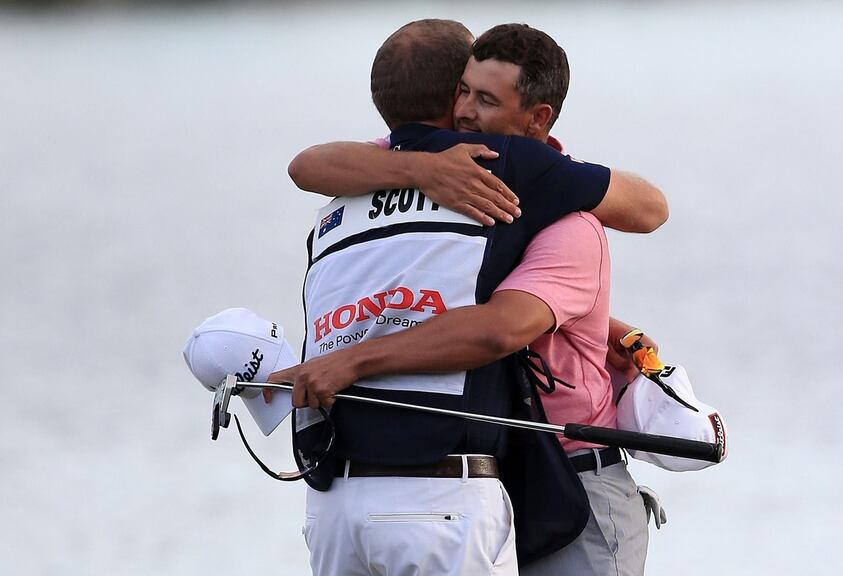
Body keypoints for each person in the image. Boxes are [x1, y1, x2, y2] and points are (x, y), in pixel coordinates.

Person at [272, 19, 666, 576]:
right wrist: (425, 169)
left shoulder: (538, 177)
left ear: (537, 118)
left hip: (575, 472)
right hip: (498, 465)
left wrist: (348, 360)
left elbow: (649, 208)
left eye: (483, 99)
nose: (464, 112)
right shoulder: (425, 163)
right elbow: (306, 165)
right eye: (461, 92)